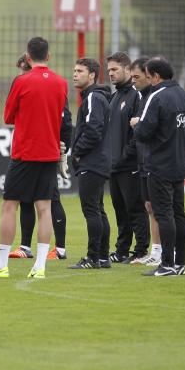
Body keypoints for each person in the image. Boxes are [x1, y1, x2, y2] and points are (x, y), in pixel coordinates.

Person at [0, 37, 67, 279]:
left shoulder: (21, 81)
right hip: (49, 152)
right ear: (48, 56)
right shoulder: (60, 83)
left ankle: (1, 264)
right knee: (44, 208)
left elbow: (8, 116)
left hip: (25, 152)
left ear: (27, 57)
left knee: (9, 206)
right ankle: (39, 267)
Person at [133, 58, 185, 277]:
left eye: (149, 77)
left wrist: (136, 124)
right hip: (179, 164)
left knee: (164, 213)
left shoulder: (156, 96)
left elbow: (143, 133)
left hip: (159, 165)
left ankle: (167, 264)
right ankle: (180, 263)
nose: (149, 81)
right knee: (179, 212)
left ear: (156, 77)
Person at [9, 53, 71, 261]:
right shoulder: (48, 85)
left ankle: (60, 248)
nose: (21, 75)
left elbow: (65, 120)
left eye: (23, 70)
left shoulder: (51, 87)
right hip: (40, 151)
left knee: (50, 200)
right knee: (28, 200)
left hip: (44, 151)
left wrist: (64, 150)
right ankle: (26, 246)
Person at [68, 58, 112, 270]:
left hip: (92, 161)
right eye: (74, 71)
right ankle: (103, 257)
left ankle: (93, 257)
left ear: (92, 75)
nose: (75, 74)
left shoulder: (94, 97)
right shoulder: (95, 96)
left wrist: (77, 153)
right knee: (98, 209)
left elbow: (93, 130)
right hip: (99, 161)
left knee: (92, 210)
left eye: (79, 71)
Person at [105, 52, 149, 264]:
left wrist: (124, 156)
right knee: (120, 210)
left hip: (130, 164)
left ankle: (141, 250)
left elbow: (137, 133)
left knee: (135, 208)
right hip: (114, 166)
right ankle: (122, 249)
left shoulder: (136, 96)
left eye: (114, 69)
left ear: (127, 69)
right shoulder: (114, 97)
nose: (111, 74)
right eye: (109, 71)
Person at [128, 57, 162, 266]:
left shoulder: (156, 98)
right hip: (143, 162)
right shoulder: (141, 97)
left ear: (150, 77)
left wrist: (139, 123)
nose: (134, 81)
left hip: (155, 162)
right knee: (150, 206)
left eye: (137, 77)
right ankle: (156, 251)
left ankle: (166, 251)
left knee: (160, 207)